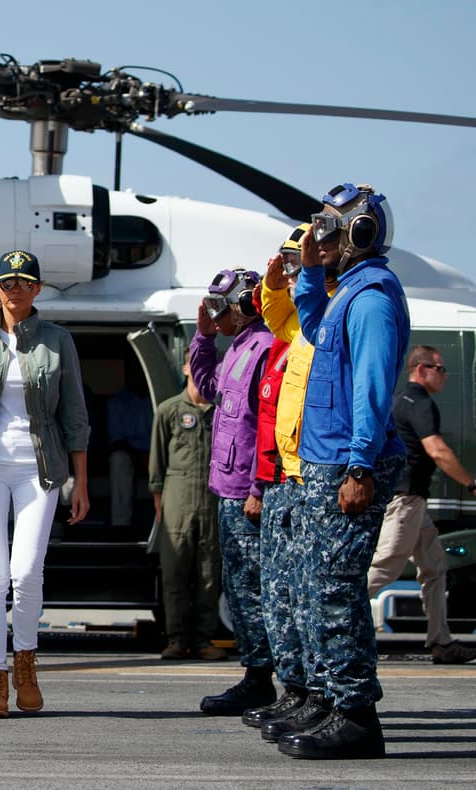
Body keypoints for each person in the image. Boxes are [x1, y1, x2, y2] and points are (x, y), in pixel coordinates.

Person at [279, 183, 410, 760]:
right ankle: (331, 700)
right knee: (314, 586)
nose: (319, 238)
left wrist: (360, 465)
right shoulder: (345, 295)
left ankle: (357, 716)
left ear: (360, 234)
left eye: (329, 229)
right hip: (324, 463)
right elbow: (312, 330)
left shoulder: (374, 298)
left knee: (335, 589)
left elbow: (373, 390)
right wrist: (306, 274)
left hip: (348, 465)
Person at [0, 250, 91, 718]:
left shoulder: (57, 340)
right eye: (8, 282)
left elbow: (74, 416)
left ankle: (25, 662)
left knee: (26, 573)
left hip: (39, 468)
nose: (17, 289)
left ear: (38, 289)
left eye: (26, 282)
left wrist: (80, 482)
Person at [246, 224, 329, 742]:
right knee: (287, 596)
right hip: (284, 474)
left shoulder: (325, 316)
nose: (291, 269)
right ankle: (298, 691)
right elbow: (278, 316)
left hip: (309, 472)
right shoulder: (293, 327)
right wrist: (275, 283)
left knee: (314, 595)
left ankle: (324, 696)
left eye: (299, 261)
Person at [189, 266, 276, 716]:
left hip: (247, 490)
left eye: (221, 309)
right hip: (227, 487)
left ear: (246, 306)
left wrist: (260, 487)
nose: (216, 316)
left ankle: (265, 680)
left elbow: (268, 425)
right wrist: (203, 339)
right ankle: (256, 675)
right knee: (238, 587)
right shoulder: (238, 347)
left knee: (254, 587)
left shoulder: (263, 346)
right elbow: (205, 390)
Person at [367, 346, 476, 664]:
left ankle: (441, 642)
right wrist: (469, 483)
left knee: (435, 568)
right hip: (406, 501)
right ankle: (333, 626)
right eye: (439, 368)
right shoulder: (420, 403)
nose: (444, 374)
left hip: (413, 501)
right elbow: (437, 450)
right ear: (420, 369)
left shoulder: (402, 400)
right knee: (385, 566)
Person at [149, 349, 221, 661]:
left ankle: (204, 639)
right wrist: (161, 509)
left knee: (208, 574)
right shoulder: (168, 410)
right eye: (197, 363)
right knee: (174, 573)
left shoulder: (220, 411)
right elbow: (157, 467)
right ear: (186, 368)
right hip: (176, 498)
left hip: (212, 498)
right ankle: (176, 639)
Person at [107, 367, 153, 529]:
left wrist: (153, 455)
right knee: (118, 459)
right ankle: (121, 525)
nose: (139, 377)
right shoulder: (117, 402)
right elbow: (116, 441)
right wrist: (139, 456)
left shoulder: (158, 400)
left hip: (155, 454)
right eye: (135, 373)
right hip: (130, 454)